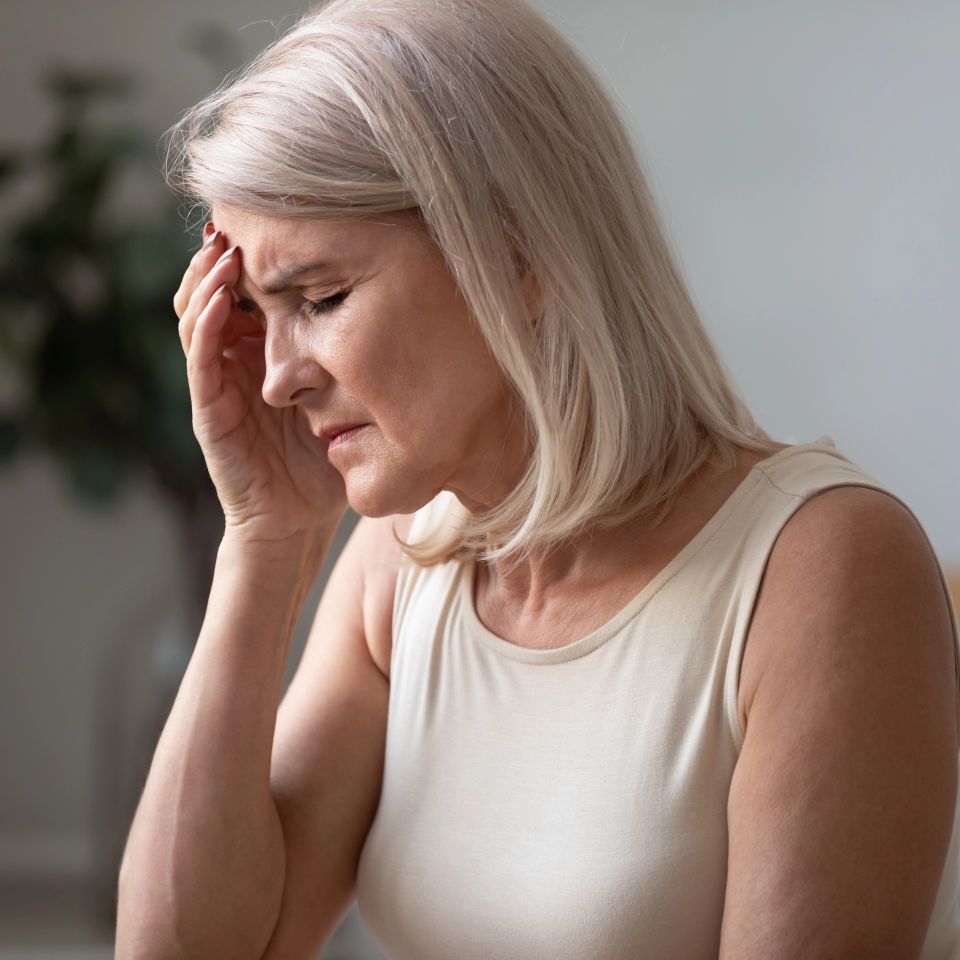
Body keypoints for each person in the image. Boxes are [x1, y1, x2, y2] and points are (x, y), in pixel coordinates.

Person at [116, 0, 960, 956]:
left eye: (319, 298)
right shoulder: (405, 562)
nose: (277, 378)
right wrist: (262, 541)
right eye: (262, 317)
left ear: (517, 253)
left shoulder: (821, 568)